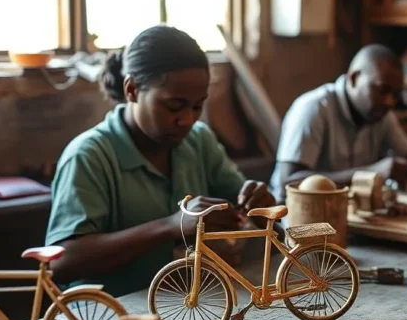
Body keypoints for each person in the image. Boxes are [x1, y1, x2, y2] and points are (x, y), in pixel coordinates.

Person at [45, 25, 275, 296]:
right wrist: (170, 225)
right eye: (174, 106)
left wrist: (258, 204)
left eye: (197, 106)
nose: (187, 120)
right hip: (107, 317)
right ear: (131, 90)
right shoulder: (89, 156)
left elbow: (238, 197)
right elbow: (61, 262)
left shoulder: (198, 140)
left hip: (182, 302)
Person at [270, 44, 407, 198]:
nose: (390, 101)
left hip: (348, 218)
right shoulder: (312, 109)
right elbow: (288, 182)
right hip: (294, 221)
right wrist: (369, 173)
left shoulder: (381, 113)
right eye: (383, 90)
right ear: (354, 78)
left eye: (396, 95)